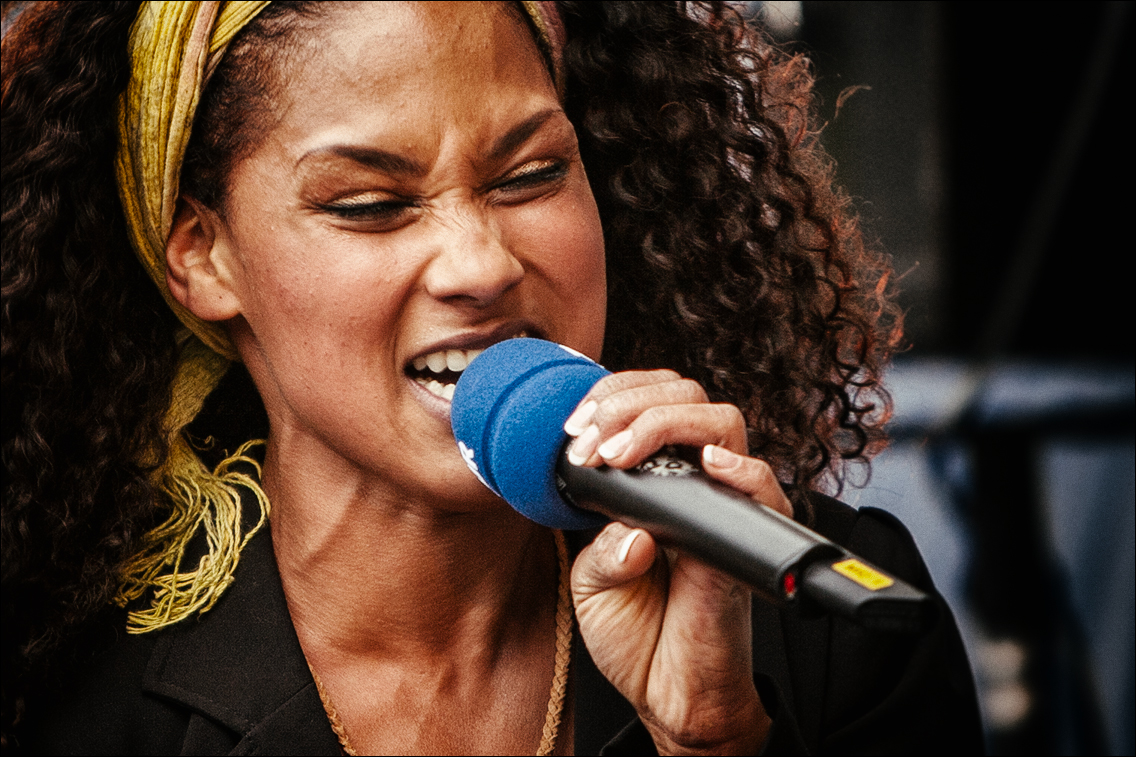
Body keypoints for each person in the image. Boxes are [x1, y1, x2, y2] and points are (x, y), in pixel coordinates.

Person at [1, 1, 983, 754]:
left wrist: (717, 742)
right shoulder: (63, 694)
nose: (481, 265)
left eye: (528, 177)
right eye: (372, 203)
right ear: (203, 258)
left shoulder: (834, 619)